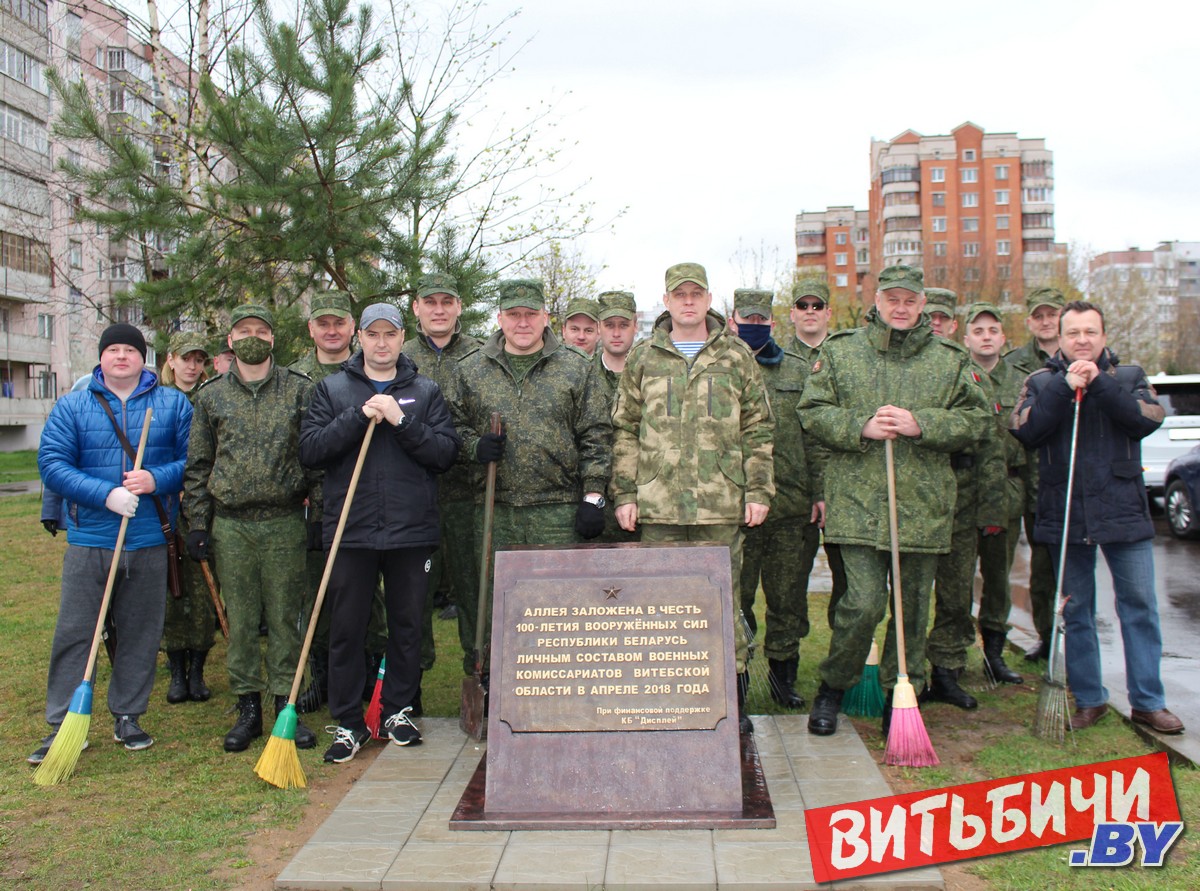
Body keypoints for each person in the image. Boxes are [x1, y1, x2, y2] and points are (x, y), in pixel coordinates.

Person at [799, 264, 988, 738]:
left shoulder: (949, 359)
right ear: (877, 301)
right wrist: (859, 425)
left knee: (910, 609)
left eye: (910, 300)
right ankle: (833, 688)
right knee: (861, 605)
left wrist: (922, 423)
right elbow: (812, 411)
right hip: (858, 503)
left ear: (922, 304)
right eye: (892, 299)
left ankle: (901, 694)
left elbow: (978, 420)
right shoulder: (843, 353)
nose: (900, 308)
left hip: (921, 508)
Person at [610, 262, 774, 734]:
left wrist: (758, 488)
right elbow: (625, 430)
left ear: (707, 299)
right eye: (678, 294)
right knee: (660, 606)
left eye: (695, 294)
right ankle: (665, 698)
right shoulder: (644, 358)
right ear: (665, 301)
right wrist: (626, 492)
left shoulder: (737, 355)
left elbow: (758, 428)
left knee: (723, 603)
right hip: (658, 505)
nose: (687, 301)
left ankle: (731, 697)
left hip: (720, 503)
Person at [1012, 300, 1183, 734]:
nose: (1082, 340)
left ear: (1103, 336)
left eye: (1090, 332)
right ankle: (1089, 699)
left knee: (1139, 608)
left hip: (1123, 510)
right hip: (1066, 511)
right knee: (1077, 611)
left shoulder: (1129, 377)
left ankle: (1148, 701)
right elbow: (1027, 431)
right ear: (1060, 339)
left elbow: (1145, 420)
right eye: (1073, 334)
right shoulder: (1040, 382)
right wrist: (1065, 388)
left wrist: (1100, 386)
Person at [301, 303, 460, 761]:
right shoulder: (332, 390)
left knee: (408, 625)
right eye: (373, 334)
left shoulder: (425, 392)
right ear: (360, 338)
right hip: (351, 530)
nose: (382, 342)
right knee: (347, 629)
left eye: (390, 334)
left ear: (401, 337)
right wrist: (356, 418)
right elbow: (310, 450)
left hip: (411, 531)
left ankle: (398, 710)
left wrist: (401, 420)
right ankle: (349, 723)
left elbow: (444, 454)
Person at [31, 324, 192, 763]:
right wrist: (105, 493)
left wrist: (157, 478)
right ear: (102, 357)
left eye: (130, 350)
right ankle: (64, 723)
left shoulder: (172, 405)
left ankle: (128, 714)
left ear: (144, 358)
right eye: (113, 349)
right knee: (76, 632)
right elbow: (52, 464)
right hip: (91, 538)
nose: (121, 356)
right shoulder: (74, 406)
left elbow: (193, 460)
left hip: (147, 540)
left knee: (140, 632)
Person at [183, 304, 321, 753]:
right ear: (230, 339)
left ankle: (286, 704)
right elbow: (199, 466)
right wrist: (199, 525)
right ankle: (247, 708)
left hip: (284, 522)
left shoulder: (300, 391)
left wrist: (317, 517)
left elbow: (317, 461)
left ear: (273, 339)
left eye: (262, 330)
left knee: (285, 618)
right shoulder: (210, 397)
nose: (254, 337)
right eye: (245, 330)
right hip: (232, 526)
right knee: (239, 620)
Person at [447, 279, 612, 636]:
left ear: (545, 317)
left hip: (557, 510)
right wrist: (474, 446)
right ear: (500, 318)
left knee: (561, 605)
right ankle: (491, 681)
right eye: (513, 314)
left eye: (530, 314)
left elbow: (596, 435)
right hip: (494, 510)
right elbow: (450, 430)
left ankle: (562, 684)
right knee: (495, 608)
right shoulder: (470, 369)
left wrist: (593, 496)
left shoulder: (576, 368)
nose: (522, 323)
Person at [727, 287, 816, 710]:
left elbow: (816, 436)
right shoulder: (718, 366)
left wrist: (820, 492)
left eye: (761, 321)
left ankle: (784, 678)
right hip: (732, 506)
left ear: (773, 324)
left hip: (789, 504)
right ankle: (736, 682)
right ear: (732, 320)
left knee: (786, 597)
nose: (754, 326)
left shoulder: (799, 370)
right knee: (735, 599)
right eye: (747, 319)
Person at [922, 298, 1011, 711]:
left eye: (943, 319)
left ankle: (946, 669)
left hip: (961, 501)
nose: (936, 325)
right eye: (931, 318)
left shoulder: (966, 368)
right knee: (910, 595)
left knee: (956, 595)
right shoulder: (906, 363)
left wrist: (992, 509)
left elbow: (990, 445)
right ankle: (904, 672)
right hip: (915, 500)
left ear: (953, 325)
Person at [287, 289, 365, 713]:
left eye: (340, 322)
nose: (332, 331)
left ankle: (367, 679)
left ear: (353, 328)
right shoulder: (295, 377)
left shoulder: (369, 370)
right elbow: (296, 447)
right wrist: (311, 506)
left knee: (367, 602)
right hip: (312, 508)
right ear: (311, 328)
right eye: (323, 323)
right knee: (316, 594)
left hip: (363, 506)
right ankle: (319, 676)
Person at [402, 272, 482, 677]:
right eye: (430, 302)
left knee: (474, 589)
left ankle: (479, 668)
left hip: (469, 494)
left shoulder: (482, 355)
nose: (438, 310)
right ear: (416, 307)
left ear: (458, 307)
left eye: (446, 302)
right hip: (414, 495)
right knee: (413, 592)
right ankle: (411, 678)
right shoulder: (398, 355)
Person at [961, 304, 1025, 685]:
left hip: (1005, 488)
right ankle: (951, 654)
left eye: (993, 330)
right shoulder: (956, 374)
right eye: (978, 330)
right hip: (964, 489)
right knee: (958, 577)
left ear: (1003, 337)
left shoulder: (1022, 380)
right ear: (965, 338)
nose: (986, 336)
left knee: (999, 576)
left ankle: (995, 653)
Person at [1004, 286, 1064, 661]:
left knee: (1063, 567)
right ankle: (1046, 638)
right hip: (1028, 479)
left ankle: (1069, 637)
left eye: (1052, 315)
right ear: (1029, 321)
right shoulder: (1016, 364)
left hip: (1065, 480)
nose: (1045, 322)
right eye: (1039, 316)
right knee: (1038, 571)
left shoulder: (1081, 360)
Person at [787, 279, 848, 629]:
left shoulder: (846, 358)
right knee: (792, 582)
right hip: (794, 491)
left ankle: (846, 666)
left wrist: (825, 490)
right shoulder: (775, 359)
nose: (810, 312)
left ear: (828, 313)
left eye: (817, 306)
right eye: (803, 305)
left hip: (843, 487)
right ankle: (788, 670)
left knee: (849, 582)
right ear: (792, 313)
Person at [159, 333, 216, 704]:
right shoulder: (159, 399)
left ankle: (197, 670)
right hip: (164, 511)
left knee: (205, 592)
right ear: (172, 360)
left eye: (199, 360)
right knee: (171, 592)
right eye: (186, 358)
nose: (192, 366)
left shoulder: (210, 398)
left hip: (204, 508)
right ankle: (176, 672)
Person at [592, 290, 640, 543]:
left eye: (624, 325)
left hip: (641, 501)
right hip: (592, 503)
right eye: (609, 325)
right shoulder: (581, 376)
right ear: (599, 328)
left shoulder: (651, 375)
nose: (617, 332)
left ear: (635, 326)